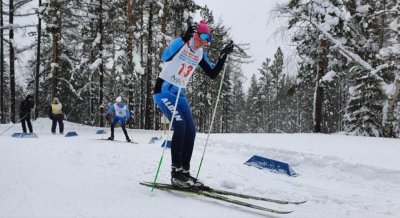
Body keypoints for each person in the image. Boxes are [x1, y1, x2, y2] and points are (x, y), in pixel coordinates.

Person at [153, 20, 234, 188]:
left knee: (190, 130)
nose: (205, 41)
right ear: (196, 34)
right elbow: (165, 57)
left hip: (179, 93)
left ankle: (185, 173)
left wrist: (222, 57)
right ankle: (175, 172)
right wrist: (184, 39)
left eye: (208, 39)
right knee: (180, 125)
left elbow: (212, 73)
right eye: (203, 36)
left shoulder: (199, 53)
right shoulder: (181, 42)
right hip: (164, 90)